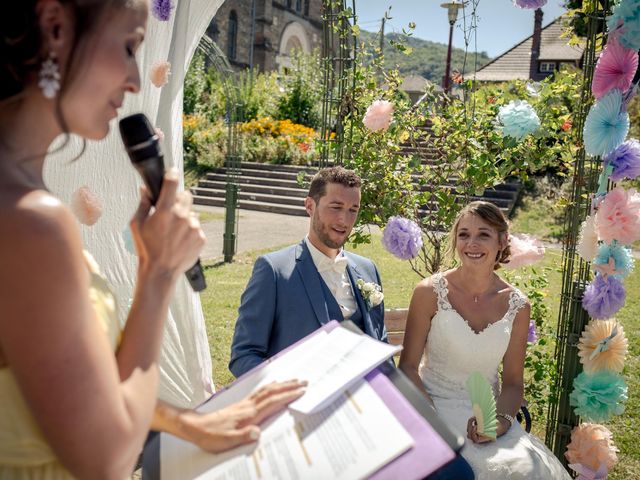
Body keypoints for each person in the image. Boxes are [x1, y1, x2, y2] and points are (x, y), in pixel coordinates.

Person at [0, 1, 304, 478]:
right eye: (127, 47)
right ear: (55, 27)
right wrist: (158, 272)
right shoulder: (29, 222)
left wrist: (188, 420)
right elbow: (105, 457)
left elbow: (60, 381)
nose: (136, 80)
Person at [399, 201, 571, 479]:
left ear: (502, 241)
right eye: (464, 234)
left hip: (487, 416)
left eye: (484, 234)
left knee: (525, 469)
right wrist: (433, 422)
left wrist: (498, 423)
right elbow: (407, 367)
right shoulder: (429, 292)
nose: (472, 243)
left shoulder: (518, 305)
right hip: (432, 407)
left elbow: (514, 384)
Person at [229, 166, 388, 378]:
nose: (344, 220)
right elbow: (244, 355)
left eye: (353, 210)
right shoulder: (274, 271)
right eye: (336, 207)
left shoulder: (368, 270)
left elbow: (382, 349)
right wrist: (287, 391)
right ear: (310, 206)